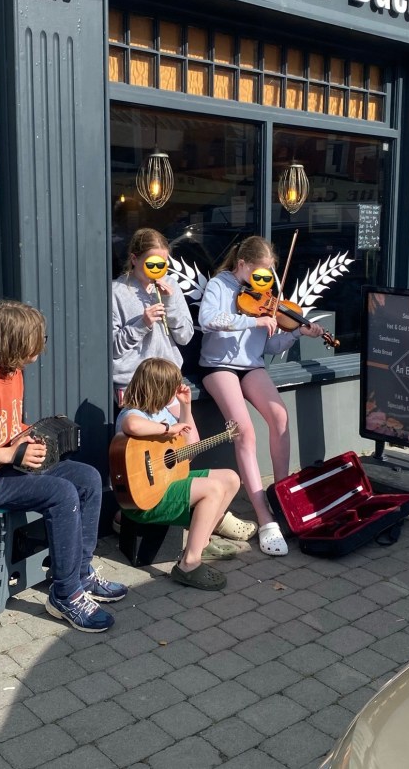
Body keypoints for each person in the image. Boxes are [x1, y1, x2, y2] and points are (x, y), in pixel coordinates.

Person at [0, 301, 127, 633]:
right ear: (14, 343)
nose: (41, 345)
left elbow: (4, 425)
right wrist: (9, 455)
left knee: (88, 478)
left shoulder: (13, 373)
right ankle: (65, 595)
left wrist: (27, 435)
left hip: (4, 466)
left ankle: (79, 574)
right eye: (36, 339)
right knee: (61, 492)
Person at [112, 227, 255, 542]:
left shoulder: (170, 286)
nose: (157, 271)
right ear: (134, 260)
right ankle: (147, 510)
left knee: (187, 445)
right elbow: (113, 348)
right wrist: (141, 323)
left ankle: (201, 508)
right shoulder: (117, 292)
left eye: (163, 264)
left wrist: (172, 300)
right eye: (152, 264)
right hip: (139, 384)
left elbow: (186, 336)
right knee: (147, 452)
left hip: (171, 380)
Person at [198, 235, 326, 556]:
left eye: (268, 276)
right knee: (245, 432)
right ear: (242, 265)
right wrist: (252, 319)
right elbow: (206, 320)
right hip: (218, 366)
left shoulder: (264, 297)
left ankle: (281, 495)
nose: (264, 285)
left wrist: (296, 331)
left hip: (249, 366)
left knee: (280, 416)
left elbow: (269, 345)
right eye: (259, 275)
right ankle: (264, 517)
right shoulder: (220, 285)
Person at [116, 357, 242, 591]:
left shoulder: (162, 411)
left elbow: (188, 446)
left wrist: (186, 407)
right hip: (146, 499)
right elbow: (132, 426)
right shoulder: (132, 413)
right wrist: (168, 428)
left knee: (231, 479)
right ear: (158, 389)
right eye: (171, 389)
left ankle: (199, 544)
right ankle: (188, 565)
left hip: (168, 483)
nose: (174, 393)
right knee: (212, 489)